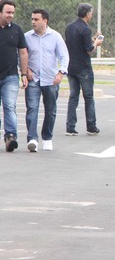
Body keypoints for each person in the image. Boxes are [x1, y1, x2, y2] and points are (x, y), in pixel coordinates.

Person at [24, 9, 69, 152]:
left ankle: (47, 138)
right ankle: (32, 139)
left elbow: (64, 56)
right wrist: (26, 70)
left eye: (36, 19)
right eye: (32, 19)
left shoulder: (55, 36)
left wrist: (61, 73)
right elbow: (20, 56)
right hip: (33, 79)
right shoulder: (26, 37)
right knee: (32, 108)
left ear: (45, 21)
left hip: (51, 79)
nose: (33, 22)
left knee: (51, 109)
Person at [64, 3, 103, 136]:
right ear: (87, 14)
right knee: (88, 96)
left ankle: (70, 126)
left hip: (70, 66)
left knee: (73, 96)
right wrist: (96, 43)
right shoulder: (85, 29)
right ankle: (91, 126)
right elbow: (89, 50)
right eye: (91, 12)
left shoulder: (70, 27)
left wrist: (92, 39)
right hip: (83, 67)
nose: (91, 15)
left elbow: (76, 44)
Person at [0, 0, 29, 152]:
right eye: (8, 12)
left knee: (10, 105)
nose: (11, 15)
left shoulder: (17, 30)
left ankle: (10, 136)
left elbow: (23, 52)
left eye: (12, 13)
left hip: (10, 76)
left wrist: (24, 73)